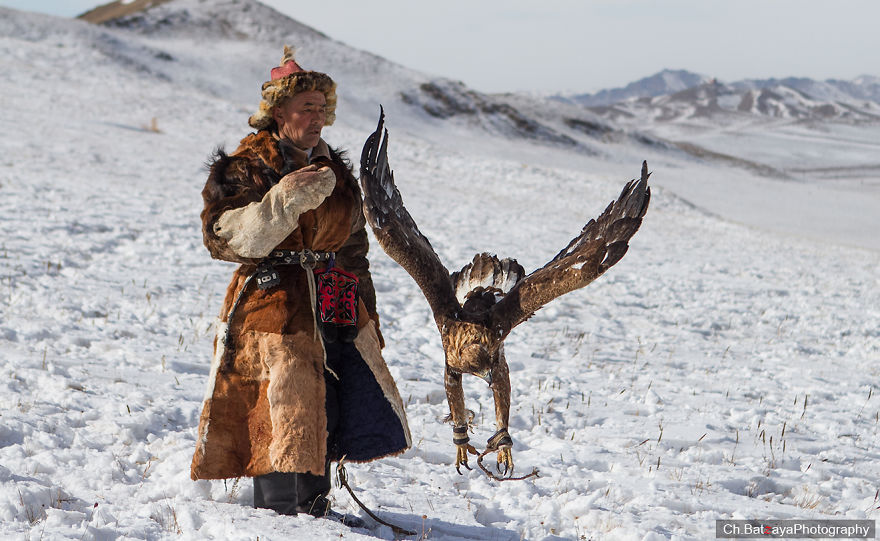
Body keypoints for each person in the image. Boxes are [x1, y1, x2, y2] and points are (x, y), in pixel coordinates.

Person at [191, 46, 411, 526]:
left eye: (321, 108)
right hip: (272, 302)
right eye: (306, 107)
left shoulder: (338, 174)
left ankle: (314, 509)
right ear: (278, 112)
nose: (317, 118)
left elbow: (354, 250)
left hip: (332, 299)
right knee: (283, 399)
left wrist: (365, 315)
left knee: (325, 402)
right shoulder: (246, 167)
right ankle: (279, 517)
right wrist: (282, 202)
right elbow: (224, 236)